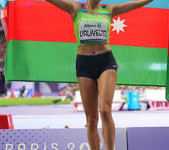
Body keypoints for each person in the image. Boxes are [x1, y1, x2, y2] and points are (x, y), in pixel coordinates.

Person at [46, 0, 153, 149]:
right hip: (84, 64)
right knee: (91, 120)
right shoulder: (76, 8)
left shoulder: (109, 9)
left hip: (106, 62)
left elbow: (137, 3)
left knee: (105, 111)